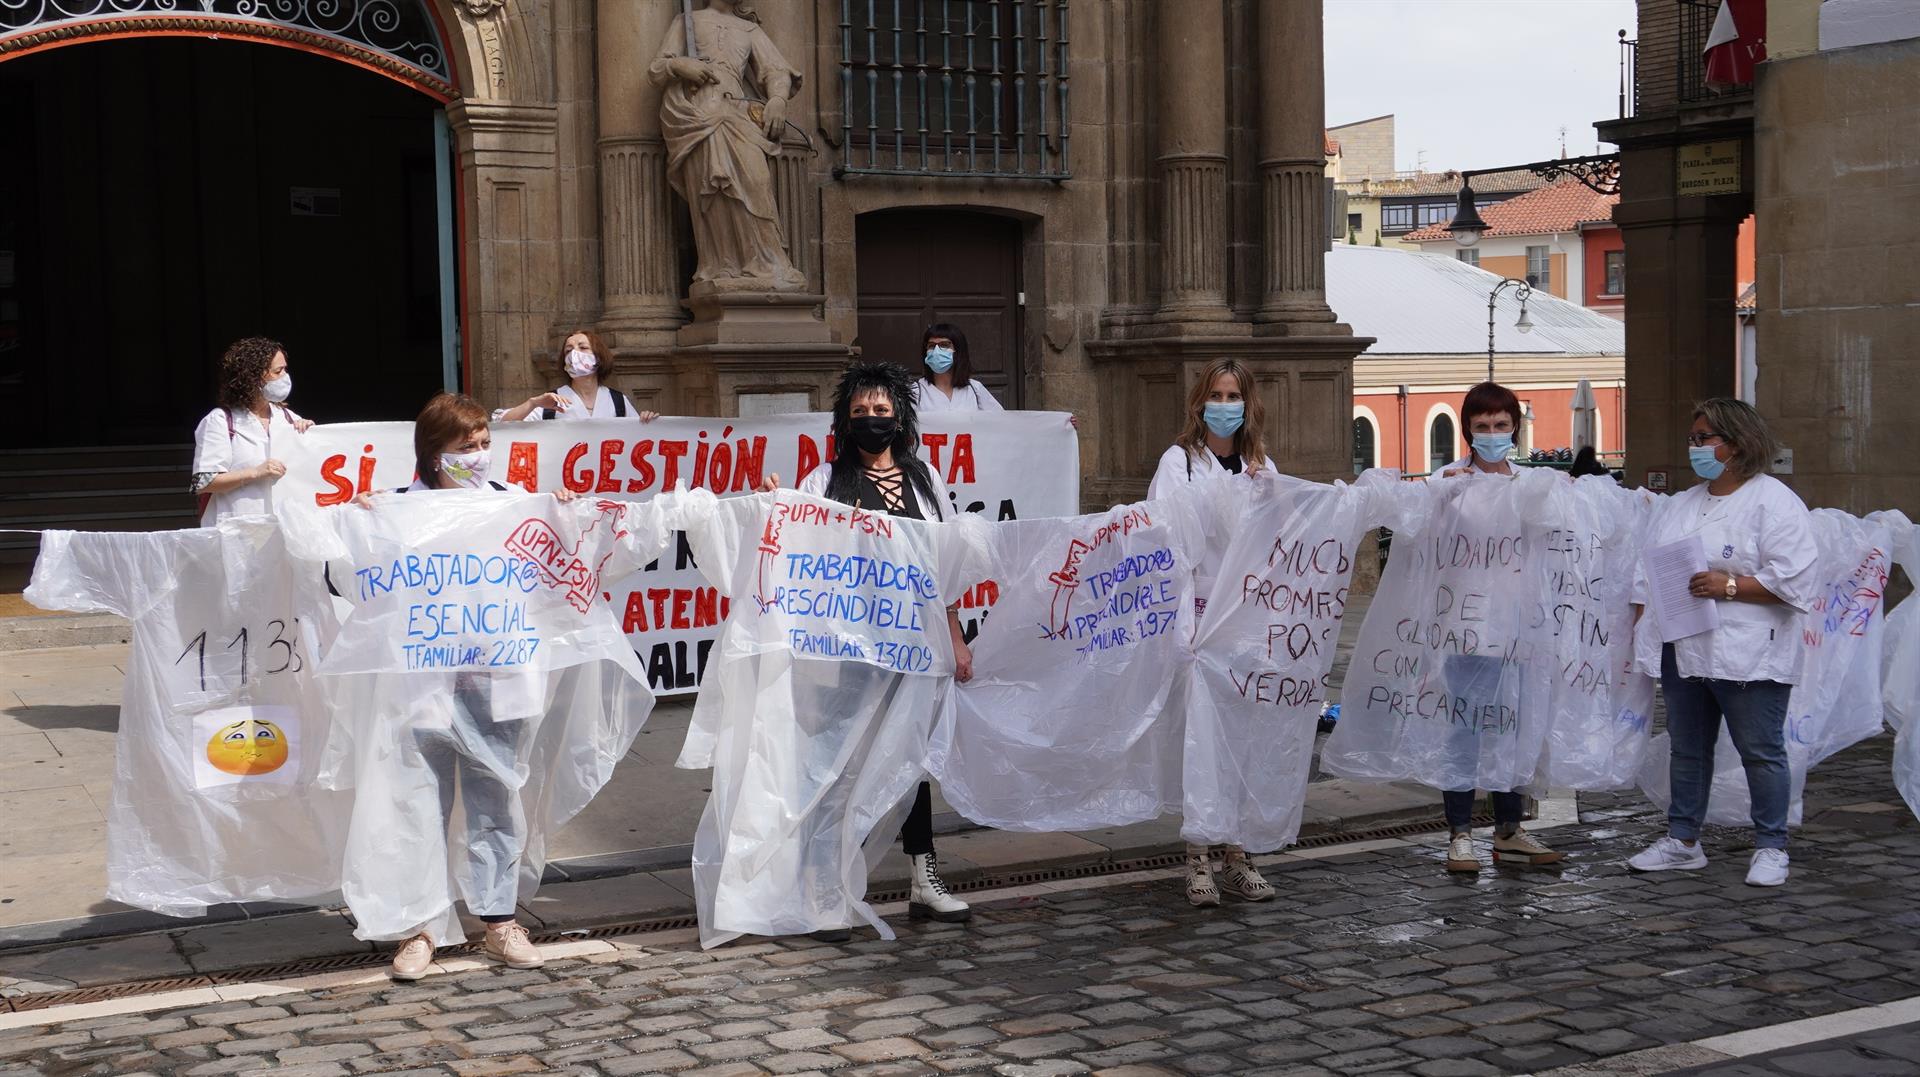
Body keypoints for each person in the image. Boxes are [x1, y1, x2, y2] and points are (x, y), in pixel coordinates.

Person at [360, 393, 577, 980]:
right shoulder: (397, 509)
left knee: (494, 799)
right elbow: (348, 579)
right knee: (416, 804)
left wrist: (564, 514)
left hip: (493, 677)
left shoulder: (512, 504)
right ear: (434, 454)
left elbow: (556, 568)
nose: (480, 456)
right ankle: (421, 927)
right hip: (423, 680)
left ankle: (498, 921)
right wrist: (358, 523)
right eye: (466, 447)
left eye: (484, 444)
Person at [758, 361, 974, 939]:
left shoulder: (925, 479)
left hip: (914, 645)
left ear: (899, 416)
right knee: (838, 765)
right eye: (860, 412)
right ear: (844, 420)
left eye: (881, 410)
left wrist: (954, 636)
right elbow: (793, 546)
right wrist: (775, 507)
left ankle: (923, 877)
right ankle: (824, 890)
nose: (871, 420)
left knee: (911, 760)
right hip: (849, 652)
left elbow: (946, 562)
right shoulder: (823, 482)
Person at [1628, 398, 1819, 887]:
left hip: (1750, 651)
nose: (1694, 447)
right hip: (1685, 646)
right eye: (1692, 439)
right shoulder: (1682, 504)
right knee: (1688, 748)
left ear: (1737, 443)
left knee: (1760, 750)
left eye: (1704, 438)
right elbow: (1650, 565)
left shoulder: (1774, 502)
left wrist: (1729, 585)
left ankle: (1771, 845)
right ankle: (1683, 840)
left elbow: (1795, 580)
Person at [1145, 358, 1280, 908]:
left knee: (1242, 738)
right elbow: (1165, 537)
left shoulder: (1261, 465)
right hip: (1198, 615)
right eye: (1217, 395)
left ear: (1249, 403)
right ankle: (1198, 854)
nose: (1225, 405)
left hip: (1244, 619)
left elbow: (1277, 542)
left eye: (1234, 396)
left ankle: (1238, 852)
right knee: (1200, 738)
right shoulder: (1179, 462)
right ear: (1200, 401)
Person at [1434, 382, 1566, 873]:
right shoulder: (1449, 482)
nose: (1492, 433)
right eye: (1482, 425)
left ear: (1515, 428)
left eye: (1501, 425)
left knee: (1515, 726)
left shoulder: (1531, 483)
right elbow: (1423, 538)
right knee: (1465, 731)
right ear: (1468, 429)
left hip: (1521, 629)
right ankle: (1460, 832)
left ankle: (1509, 828)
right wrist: (1440, 496)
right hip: (1466, 629)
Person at [191, 337, 314, 524]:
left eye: (285, 369)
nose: (285, 377)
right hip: (236, 526)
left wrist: (311, 436)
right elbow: (203, 482)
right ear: (253, 377)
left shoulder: (289, 418)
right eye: (278, 371)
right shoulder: (220, 421)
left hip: (282, 527)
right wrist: (255, 473)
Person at [494, 331, 660, 423]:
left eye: (583, 348)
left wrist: (646, 421)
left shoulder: (618, 401)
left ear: (598, 357)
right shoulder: (553, 401)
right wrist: (533, 403)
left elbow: (637, 437)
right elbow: (502, 423)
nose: (574, 354)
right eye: (568, 350)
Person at [912, 324, 1004, 414]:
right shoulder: (916, 392)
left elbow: (1000, 419)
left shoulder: (975, 389)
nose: (936, 351)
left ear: (958, 350)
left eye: (944, 345)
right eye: (931, 346)